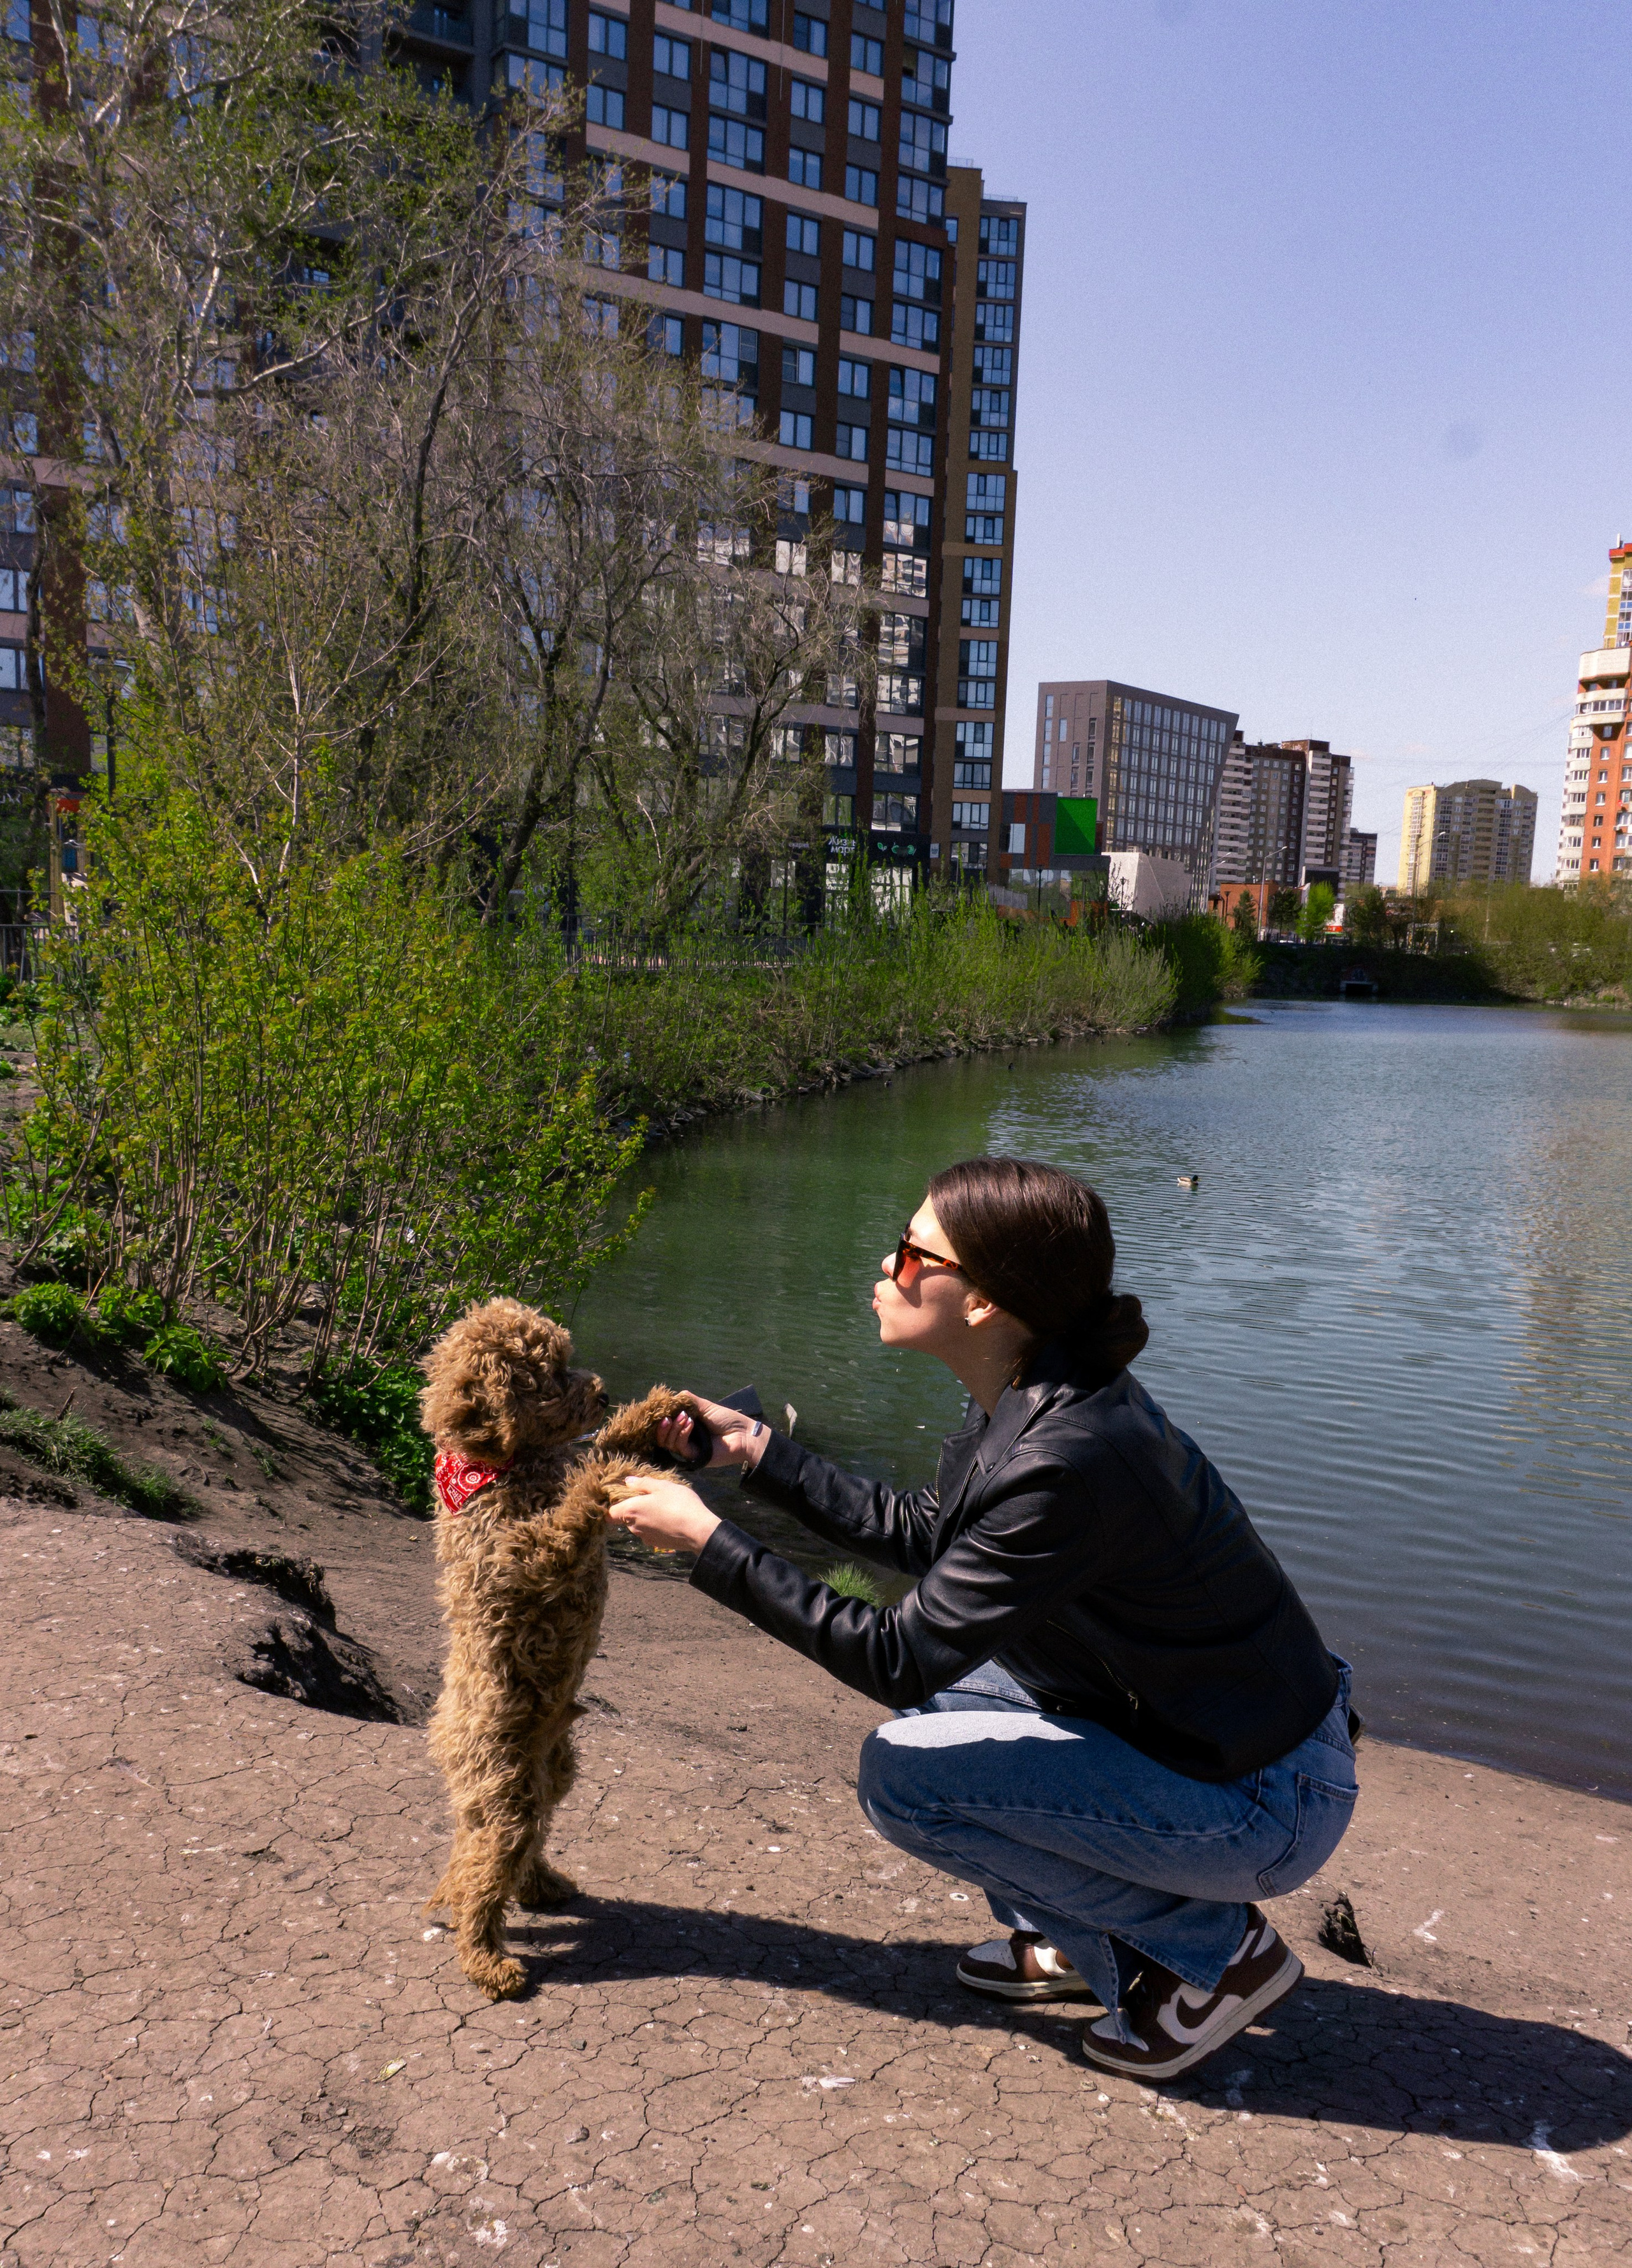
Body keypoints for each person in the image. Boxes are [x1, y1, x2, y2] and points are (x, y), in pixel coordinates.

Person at [607, 1155, 1357, 2081]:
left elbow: (893, 1655)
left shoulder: (1068, 1456)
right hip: (1207, 1737)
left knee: (904, 1777)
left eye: (912, 1254)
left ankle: (1211, 1955)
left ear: (986, 1300)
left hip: (1261, 1795)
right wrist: (757, 1451)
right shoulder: (1034, 1391)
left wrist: (711, 1543)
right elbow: (929, 1535)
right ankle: (1083, 1940)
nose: (887, 1267)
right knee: (941, 1716)